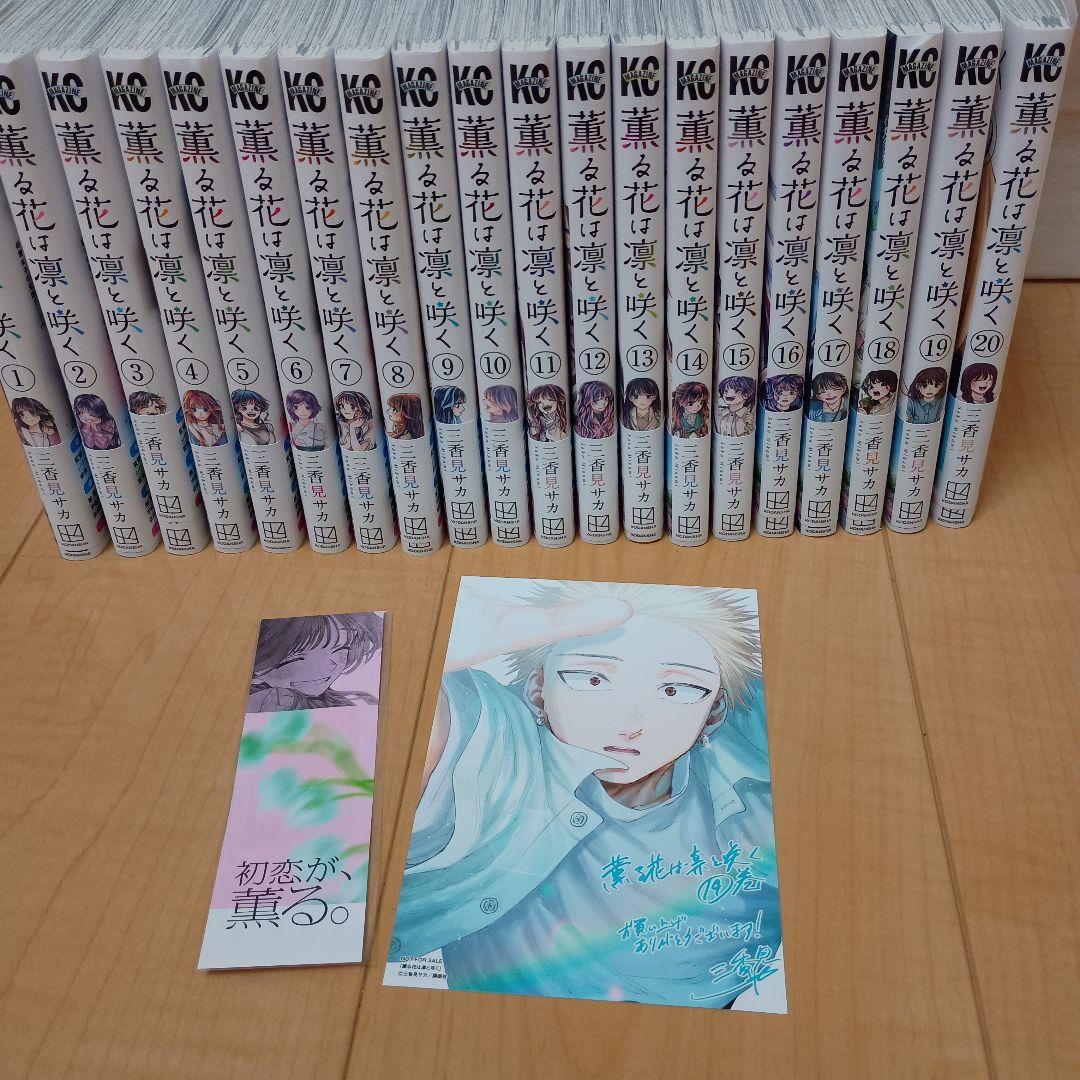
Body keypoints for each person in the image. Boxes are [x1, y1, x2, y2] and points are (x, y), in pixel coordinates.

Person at [390, 581, 782, 1009]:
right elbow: (449, 733)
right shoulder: (506, 753)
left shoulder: (759, 767)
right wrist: (409, 660)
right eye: (592, 679)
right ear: (537, 691)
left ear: (715, 710)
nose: (631, 722)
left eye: (675, 690)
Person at [247, 613, 383, 712]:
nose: (332, 665)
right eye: (298, 657)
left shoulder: (351, 701)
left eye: (340, 650)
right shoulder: (268, 702)